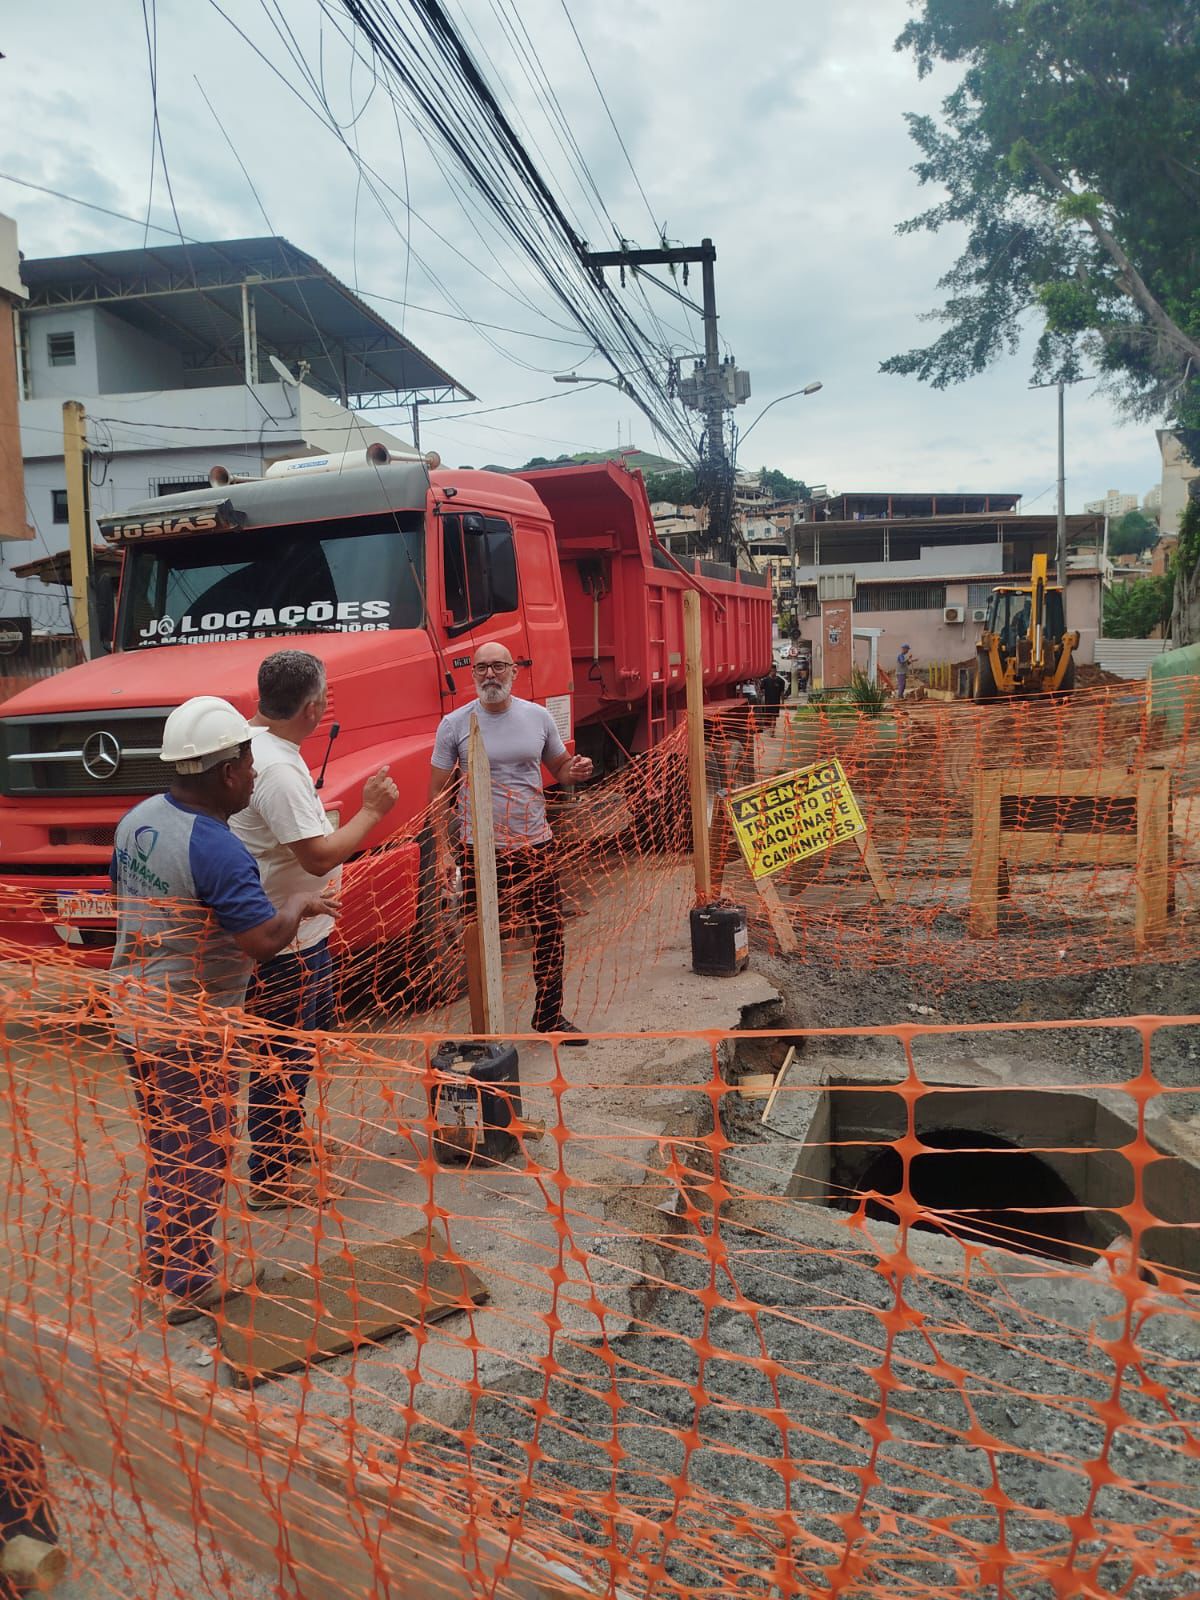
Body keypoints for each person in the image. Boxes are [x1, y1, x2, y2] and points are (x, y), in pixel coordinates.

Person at [110, 696, 338, 1325]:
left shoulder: (137, 820)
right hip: (187, 1024)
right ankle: (187, 1285)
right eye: (245, 761)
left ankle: (161, 1259)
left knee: (168, 1143)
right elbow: (262, 943)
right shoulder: (216, 847)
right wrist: (299, 905)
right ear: (222, 773)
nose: (254, 772)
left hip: (133, 1010)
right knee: (204, 1149)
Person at [231, 650, 398, 1210]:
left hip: (299, 929)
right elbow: (320, 856)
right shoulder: (276, 768)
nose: (327, 705)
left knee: (301, 1043)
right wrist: (372, 811)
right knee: (283, 1054)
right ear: (312, 707)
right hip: (285, 938)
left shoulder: (261, 745)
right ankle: (269, 1176)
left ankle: (286, 1139)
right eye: (325, 697)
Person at [429, 642, 592, 1043]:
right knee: (480, 936)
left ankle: (549, 1016)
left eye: (498, 666)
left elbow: (559, 769)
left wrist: (578, 770)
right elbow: (436, 797)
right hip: (479, 849)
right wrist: (444, 852)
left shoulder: (537, 718)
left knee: (549, 930)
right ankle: (485, 1025)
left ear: (514, 671)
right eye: (482, 667)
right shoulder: (455, 723)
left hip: (534, 844)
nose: (490, 675)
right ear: (473, 675)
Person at [759, 666, 788, 733]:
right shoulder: (765, 681)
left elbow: (782, 692)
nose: (773, 672)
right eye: (771, 671)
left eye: (774, 671)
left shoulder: (780, 681)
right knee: (769, 716)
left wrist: (782, 701)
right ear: (770, 672)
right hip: (768, 701)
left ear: (776, 671)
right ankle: (769, 728)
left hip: (776, 701)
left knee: (774, 717)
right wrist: (762, 697)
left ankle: (773, 730)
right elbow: (761, 690)